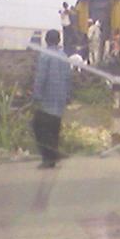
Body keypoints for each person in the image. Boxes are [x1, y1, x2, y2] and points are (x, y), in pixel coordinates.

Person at [32, 29, 71, 168]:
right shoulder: (64, 56)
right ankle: (53, 157)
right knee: (54, 129)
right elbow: (68, 78)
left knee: (40, 128)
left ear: (46, 40)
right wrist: (67, 96)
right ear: (59, 40)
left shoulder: (45, 56)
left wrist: (36, 96)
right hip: (59, 99)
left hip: (46, 99)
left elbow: (40, 77)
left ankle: (48, 157)